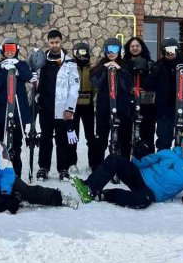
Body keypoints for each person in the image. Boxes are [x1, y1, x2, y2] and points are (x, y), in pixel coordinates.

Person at [72, 128, 183, 209]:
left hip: (153, 193)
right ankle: (89, 187)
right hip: (139, 177)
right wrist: (138, 154)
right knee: (115, 159)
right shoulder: (167, 153)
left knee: (141, 201)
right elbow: (142, 163)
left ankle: (104, 195)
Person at [0, 115, 74, 213]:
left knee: (29, 192)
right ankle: (16, 199)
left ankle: (59, 197)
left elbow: (7, 171)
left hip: (8, 182)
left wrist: (5, 192)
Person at [35, 29, 79, 181]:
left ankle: (63, 168)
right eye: (52, 42)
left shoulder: (69, 62)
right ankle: (43, 167)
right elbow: (36, 82)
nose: (54, 45)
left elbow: (74, 87)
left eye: (57, 42)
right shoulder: (41, 61)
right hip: (45, 107)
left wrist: (70, 108)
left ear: (61, 42)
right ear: (48, 42)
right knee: (45, 138)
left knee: (62, 139)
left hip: (62, 108)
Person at [0, 37, 33, 176]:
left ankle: (17, 176)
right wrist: (5, 70)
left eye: (12, 49)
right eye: (7, 49)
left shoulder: (22, 64)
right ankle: (1, 174)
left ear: (17, 50)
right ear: (3, 51)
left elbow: (27, 76)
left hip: (18, 111)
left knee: (16, 146)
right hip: (3, 111)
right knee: (0, 144)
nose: (9, 52)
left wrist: (17, 67)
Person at [89, 37, 133, 169]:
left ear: (120, 50)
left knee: (123, 138)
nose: (111, 52)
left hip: (122, 108)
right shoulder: (100, 66)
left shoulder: (125, 66)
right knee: (101, 139)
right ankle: (99, 167)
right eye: (108, 49)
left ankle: (123, 166)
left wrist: (119, 69)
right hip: (104, 108)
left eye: (114, 49)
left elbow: (127, 85)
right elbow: (96, 82)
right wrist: (104, 69)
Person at [123, 36, 157, 156]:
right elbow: (122, 81)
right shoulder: (123, 64)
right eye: (132, 46)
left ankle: (147, 162)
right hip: (128, 105)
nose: (135, 48)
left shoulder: (150, 64)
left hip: (146, 105)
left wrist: (146, 86)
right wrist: (130, 87)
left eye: (137, 46)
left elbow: (154, 81)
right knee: (126, 136)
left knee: (147, 135)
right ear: (128, 48)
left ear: (142, 47)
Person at [69, 41, 97, 170]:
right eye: (79, 53)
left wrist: (94, 98)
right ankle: (72, 163)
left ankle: (92, 162)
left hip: (88, 104)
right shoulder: (70, 68)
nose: (82, 56)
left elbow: (96, 86)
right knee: (73, 135)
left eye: (84, 53)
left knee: (90, 136)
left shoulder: (91, 68)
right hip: (73, 105)